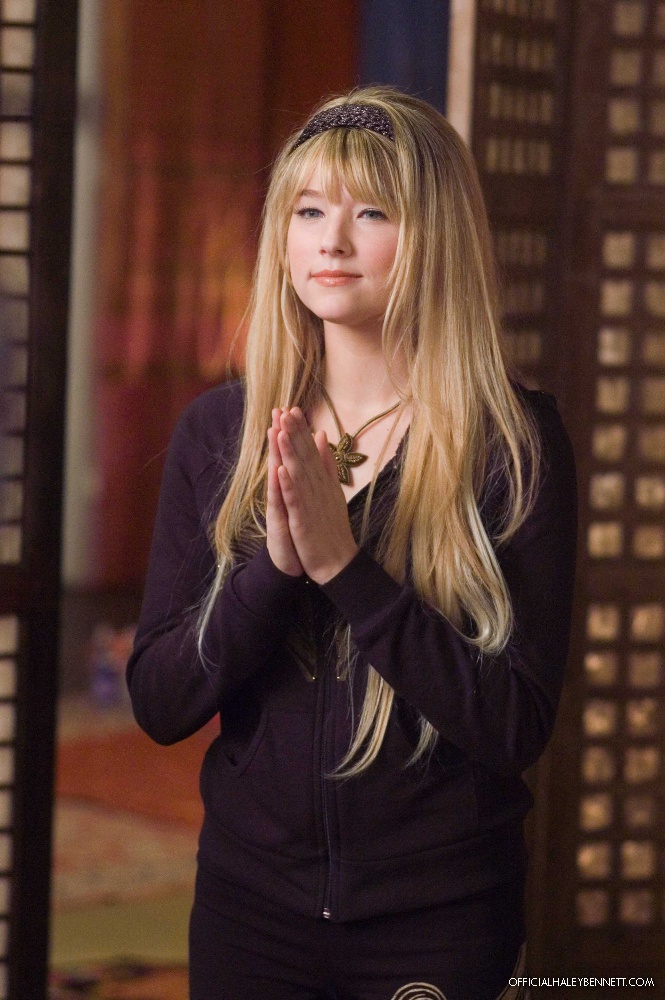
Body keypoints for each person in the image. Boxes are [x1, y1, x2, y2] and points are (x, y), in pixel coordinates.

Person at [126, 86, 578, 1000]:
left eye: (370, 213)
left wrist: (345, 567)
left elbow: (513, 725)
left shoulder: (513, 444)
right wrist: (277, 569)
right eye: (307, 211)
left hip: (439, 921)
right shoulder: (218, 434)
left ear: (434, 238)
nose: (330, 241)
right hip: (248, 912)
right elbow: (160, 701)